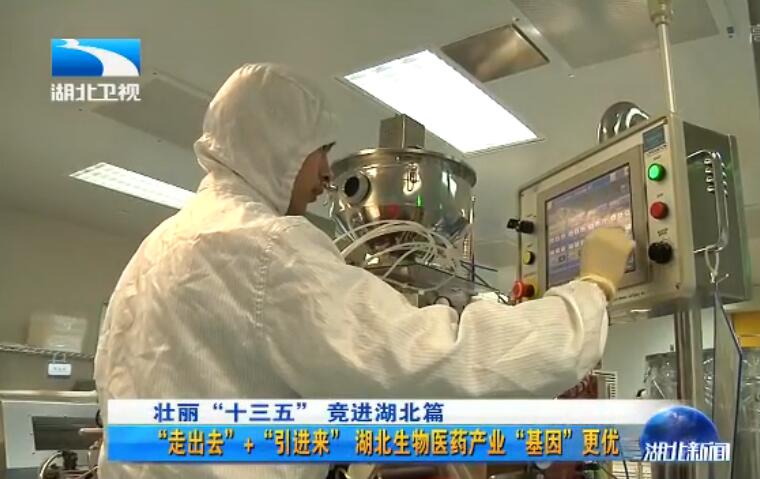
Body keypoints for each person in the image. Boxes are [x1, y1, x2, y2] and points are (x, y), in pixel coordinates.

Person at [94, 63, 634, 479]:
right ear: (278, 146)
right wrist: (587, 296)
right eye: (319, 152)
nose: (326, 175)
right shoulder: (267, 246)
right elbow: (427, 359)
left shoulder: (156, 248)